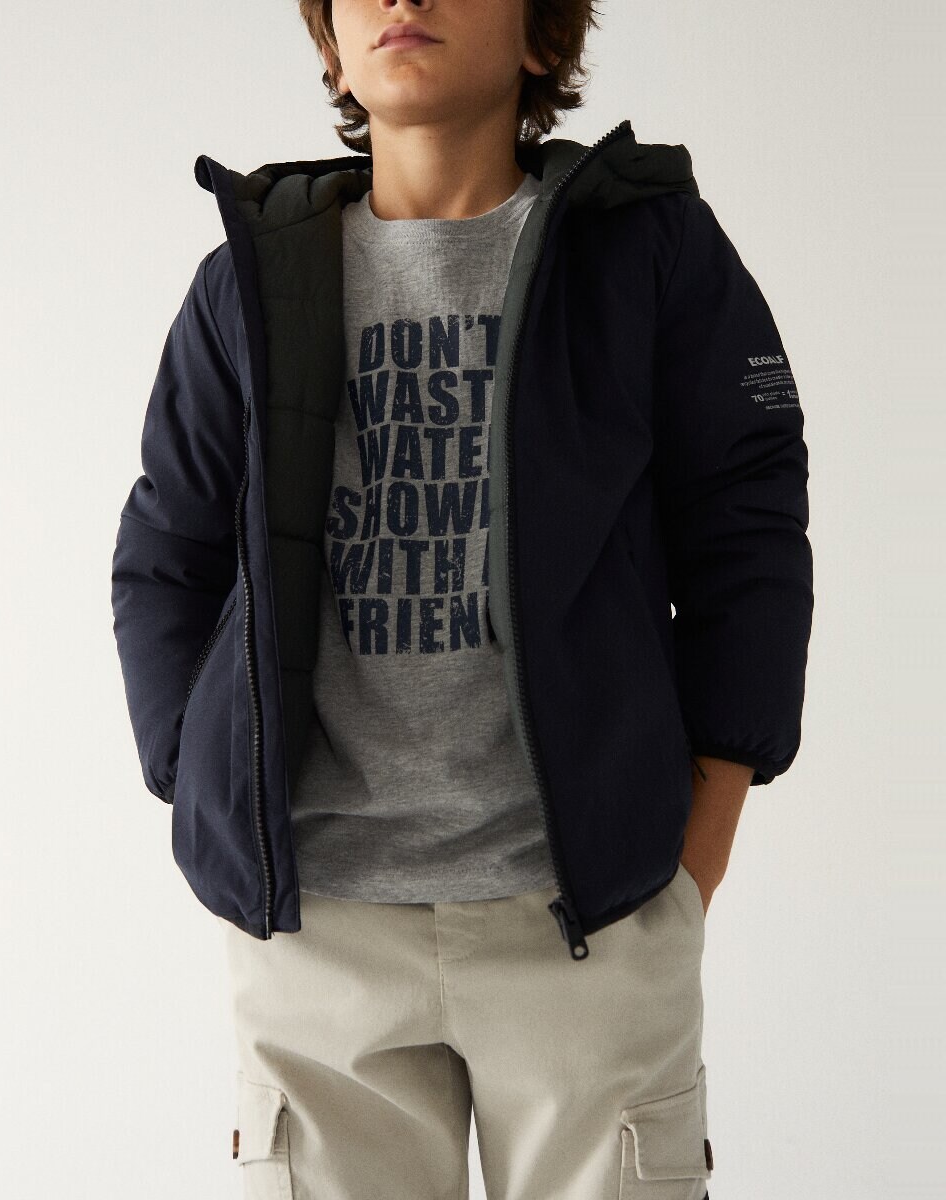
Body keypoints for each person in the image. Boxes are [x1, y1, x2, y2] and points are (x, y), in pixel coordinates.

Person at [110, 1, 813, 1196]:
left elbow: (746, 527)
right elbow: (166, 550)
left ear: (541, 37)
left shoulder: (645, 251)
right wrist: (208, 783)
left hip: (587, 914)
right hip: (318, 927)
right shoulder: (250, 280)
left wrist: (695, 845)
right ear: (331, 47)